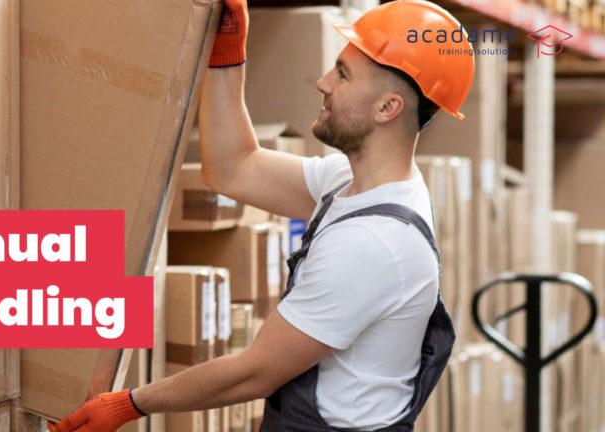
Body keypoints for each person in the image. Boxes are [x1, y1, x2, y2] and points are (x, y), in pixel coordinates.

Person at [48, 0, 475, 431]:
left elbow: (255, 372)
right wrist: (229, 52)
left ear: (388, 108)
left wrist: (128, 404)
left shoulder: (374, 243)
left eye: (343, 74)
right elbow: (235, 167)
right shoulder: (351, 182)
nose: (323, 83)